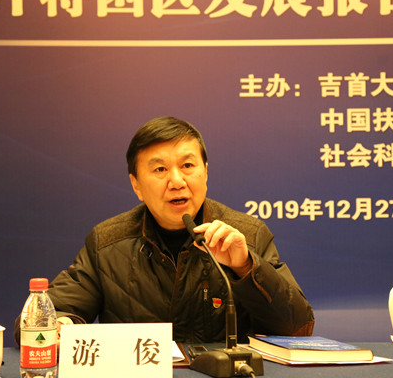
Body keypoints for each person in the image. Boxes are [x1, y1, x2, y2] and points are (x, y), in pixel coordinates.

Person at [15, 116, 314, 344]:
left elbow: (299, 328)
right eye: (160, 169)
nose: (177, 181)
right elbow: (36, 322)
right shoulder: (106, 244)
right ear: (136, 185)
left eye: (188, 166)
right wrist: (61, 325)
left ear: (206, 173)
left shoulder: (246, 235)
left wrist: (245, 267)